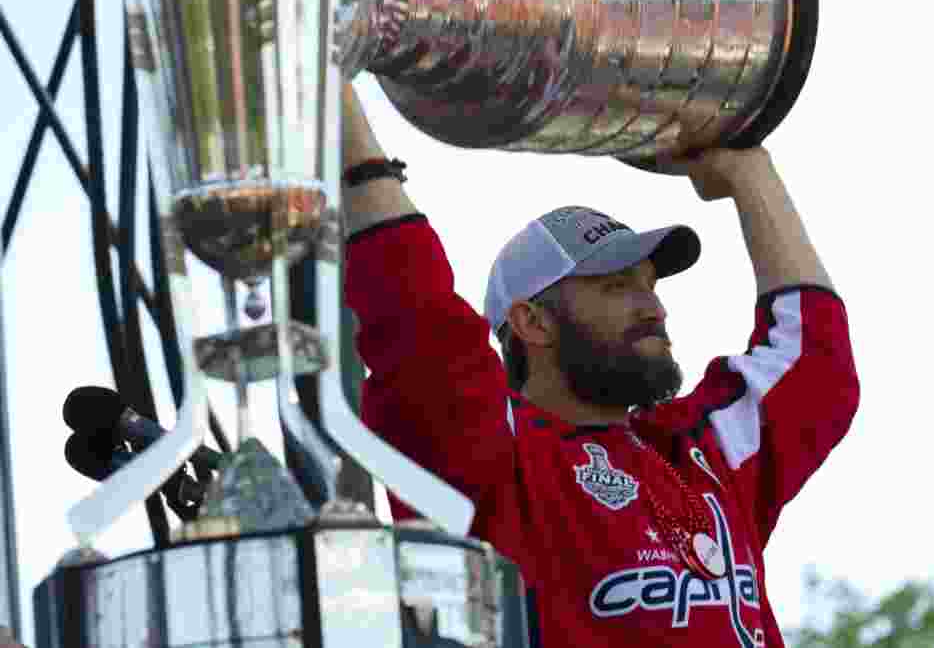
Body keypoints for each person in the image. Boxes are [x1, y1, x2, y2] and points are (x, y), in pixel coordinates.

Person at [341, 83, 859, 647]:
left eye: (650, 286)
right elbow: (415, 316)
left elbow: (815, 366)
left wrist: (748, 174)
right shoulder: (491, 460)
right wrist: (327, 80)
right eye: (617, 287)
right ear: (533, 323)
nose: (654, 307)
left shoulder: (698, 451)